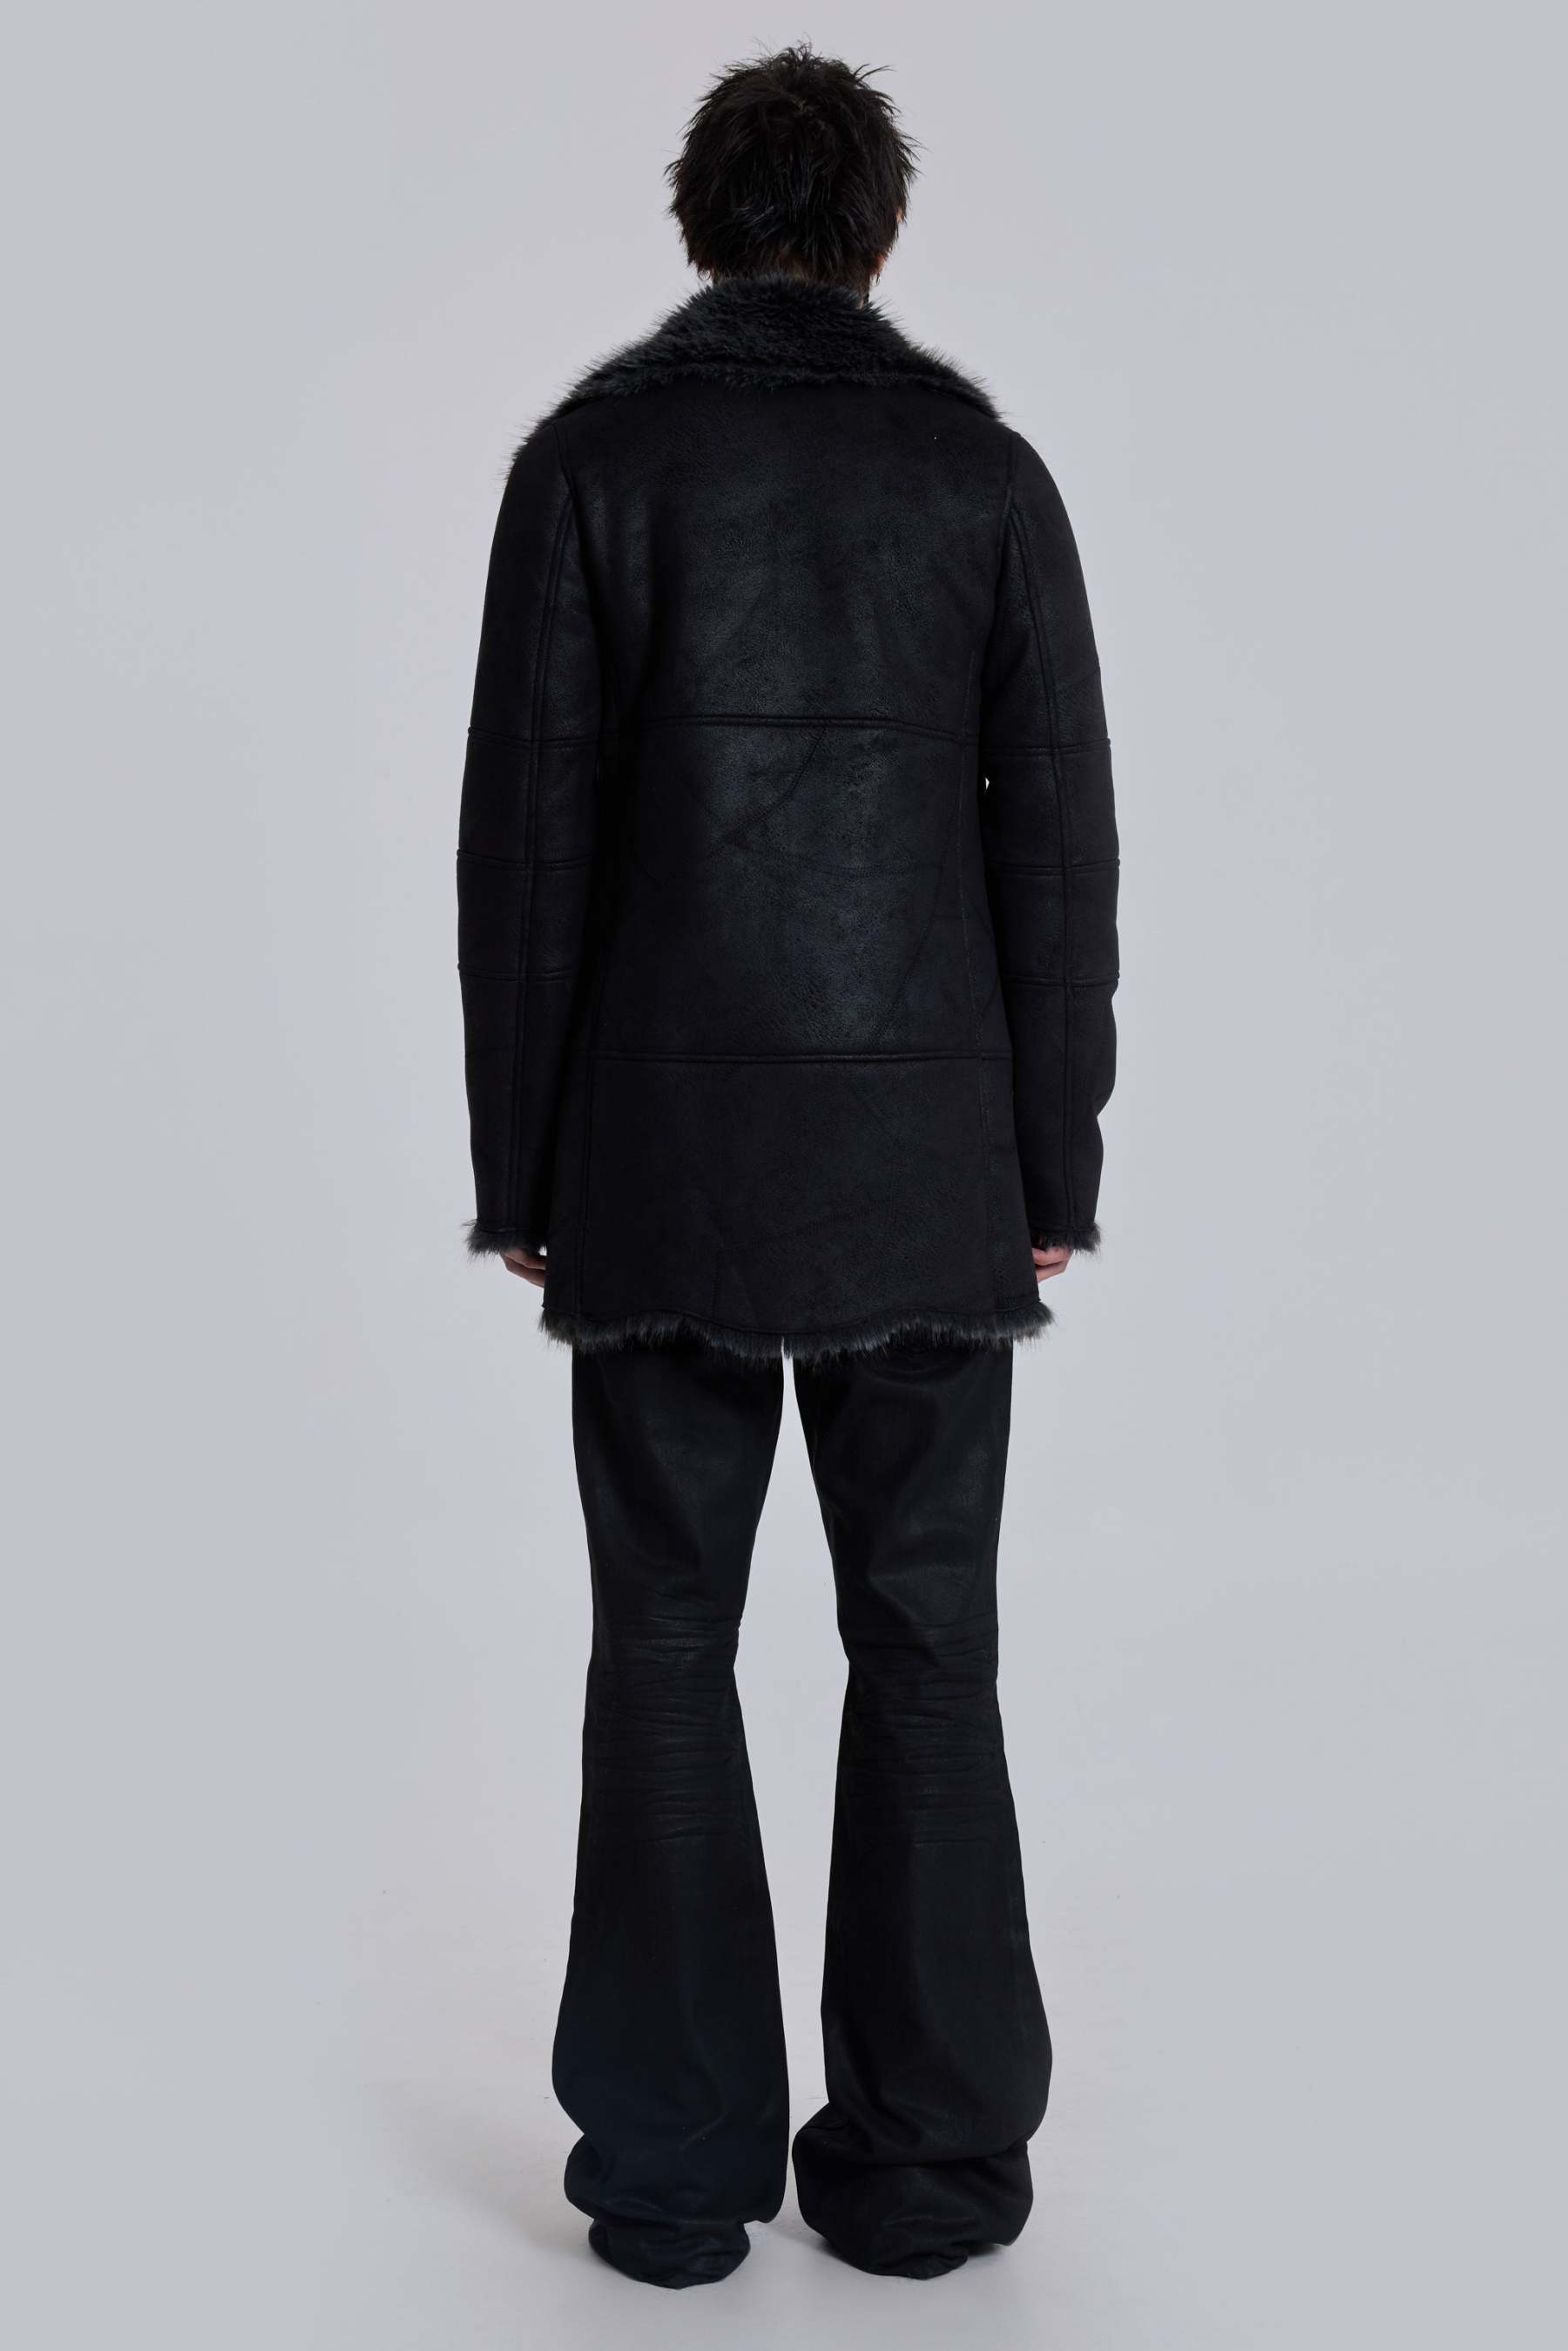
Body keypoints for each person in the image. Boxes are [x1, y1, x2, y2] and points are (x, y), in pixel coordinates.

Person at [456, 44, 1118, 2289]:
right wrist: (1053, 1163)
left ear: (699, 223)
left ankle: (669, 2180)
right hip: (931, 1162)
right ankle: (931, 2168)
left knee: (663, 1642)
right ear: (876, 231)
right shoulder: (984, 477)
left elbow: (523, 856)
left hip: (656, 1160)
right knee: (928, 1642)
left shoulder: (588, 467)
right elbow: (1061, 858)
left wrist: (523, 1165)